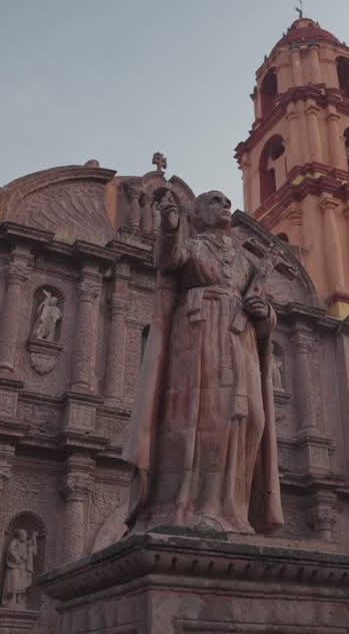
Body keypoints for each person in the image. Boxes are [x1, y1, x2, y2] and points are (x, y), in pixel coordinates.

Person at [123, 189, 283, 535]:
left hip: (239, 345)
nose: (224, 206)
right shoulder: (194, 247)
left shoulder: (246, 263)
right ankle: (189, 506)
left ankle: (233, 509)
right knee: (202, 417)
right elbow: (168, 260)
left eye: (227, 202)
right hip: (198, 337)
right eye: (214, 201)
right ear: (196, 214)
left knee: (250, 419)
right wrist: (169, 226)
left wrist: (264, 314)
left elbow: (264, 311)